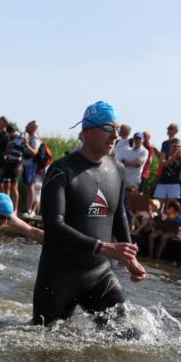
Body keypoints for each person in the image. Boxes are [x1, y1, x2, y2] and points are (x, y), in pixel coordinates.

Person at [32, 101, 146, 326]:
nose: (115, 135)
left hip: (99, 273)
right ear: (86, 131)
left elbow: (118, 214)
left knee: (129, 334)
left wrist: (130, 257)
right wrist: (102, 247)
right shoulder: (61, 170)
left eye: (117, 128)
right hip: (58, 275)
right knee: (44, 346)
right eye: (107, 128)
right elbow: (54, 226)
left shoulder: (118, 169)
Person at [20, 121, 43, 217]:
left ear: (33, 128)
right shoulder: (30, 138)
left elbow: (35, 152)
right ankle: (28, 209)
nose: (25, 126)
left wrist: (26, 145)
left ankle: (29, 210)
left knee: (31, 187)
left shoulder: (35, 139)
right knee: (29, 187)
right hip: (27, 165)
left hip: (31, 166)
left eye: (28, 125)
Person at [153, 137, 181, 205]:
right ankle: (158, 216)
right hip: (162, 182)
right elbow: (162, 164)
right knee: (157, 205)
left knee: (171, 207)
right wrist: (173, 157)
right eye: (174, 146)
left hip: (174, 183)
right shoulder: (165, 155)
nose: (176, 148)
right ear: (170, 146)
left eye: (178, 146)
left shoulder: (180, 157)